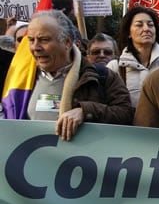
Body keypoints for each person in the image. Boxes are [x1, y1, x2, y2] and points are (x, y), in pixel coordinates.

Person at [24, 10, 132, 140]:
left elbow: (125, 114)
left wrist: (85, 111)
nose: (36, 47)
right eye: (31, 40)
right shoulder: (20, 77)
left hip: (83, 158)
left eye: (44, 40)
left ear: (67, 42)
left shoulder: (102, 76)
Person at [107, 6, 159, 107]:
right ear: (129, 33)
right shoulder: (115, 67)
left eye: (150, 25)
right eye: (139, 25)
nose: (146, 29)